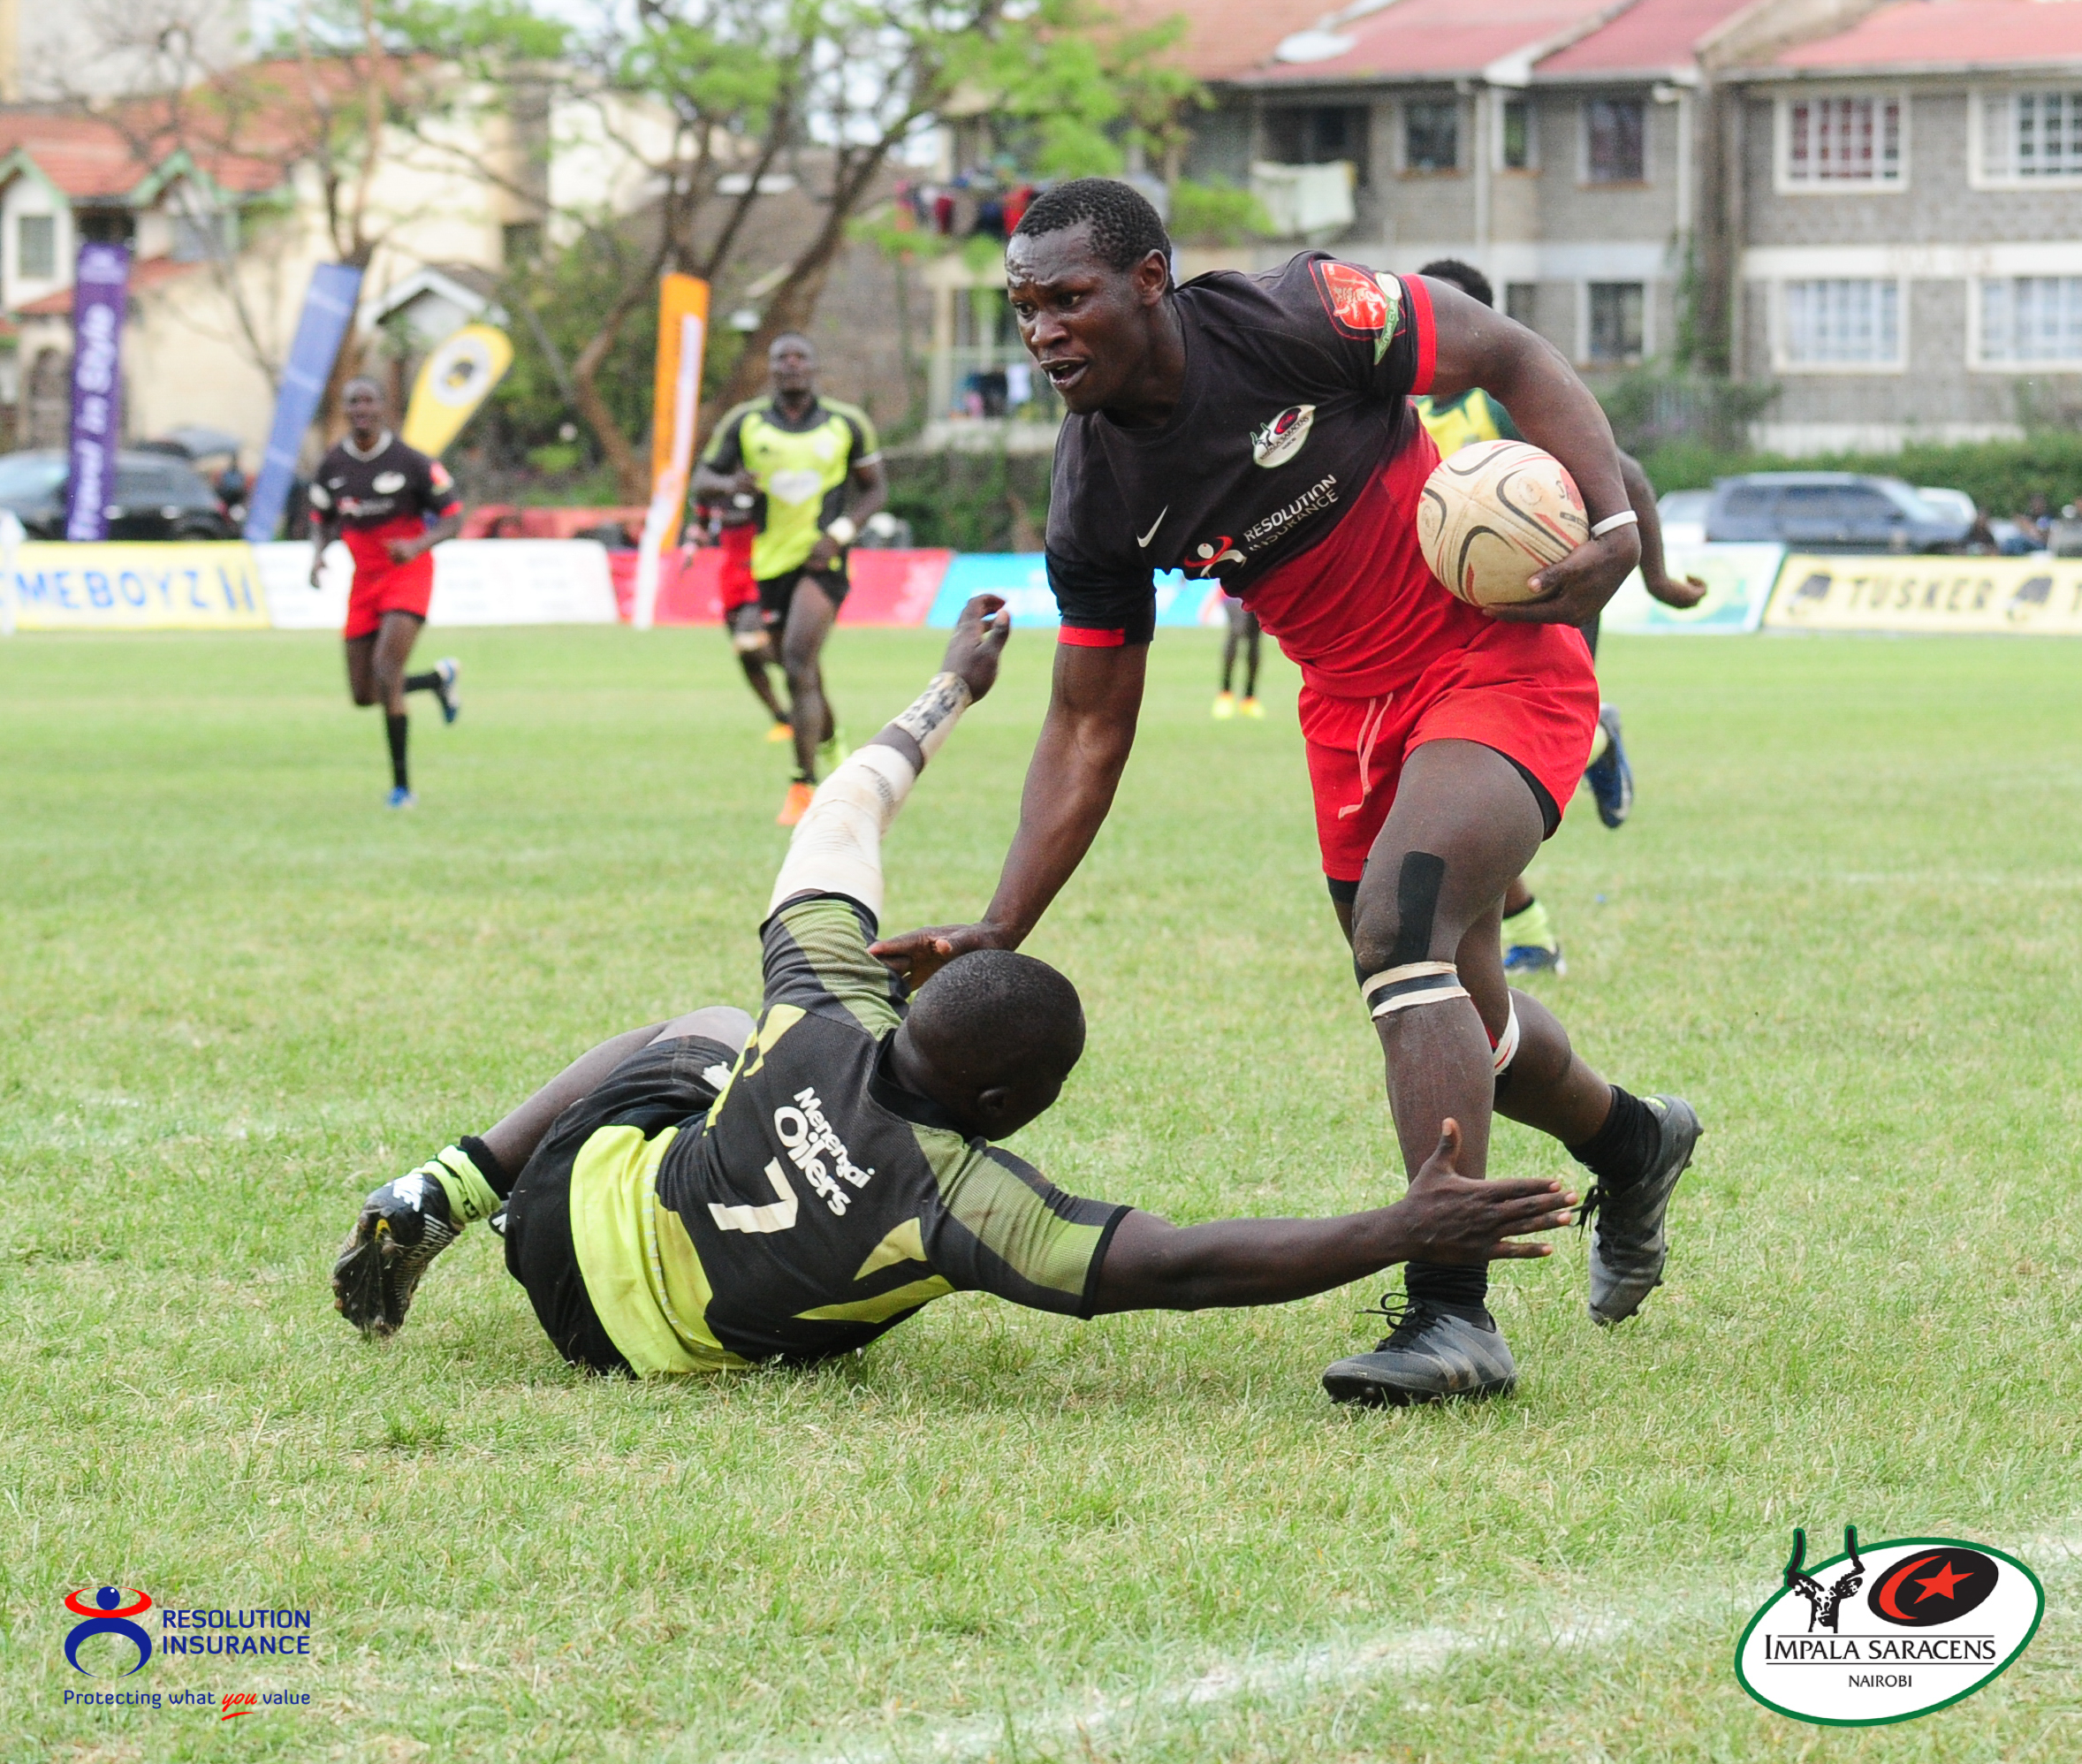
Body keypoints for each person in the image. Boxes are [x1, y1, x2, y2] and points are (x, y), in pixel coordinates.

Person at [870, 179, 1704, 1407]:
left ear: (1148, 280)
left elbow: (1513, 354)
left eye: (1068, 299)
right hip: (1349, 720)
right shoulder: (1095, 493)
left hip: (1492, 657)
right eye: (1024, 307)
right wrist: (1004, 922)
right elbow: (1090, 721)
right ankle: (1633, 1141)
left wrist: (1619, 526)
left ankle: (1449, 1315)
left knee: (1400, 939)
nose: (1042, 330)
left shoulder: (1300, 314)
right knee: (1463, 1022)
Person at [330, 597, 1577, 1380]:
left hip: (558, 1221)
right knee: (720, 1053)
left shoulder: (827, 995)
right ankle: (464, 1198)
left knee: (712, 1034)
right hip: (627, 1350)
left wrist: (950, 692)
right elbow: (1183, 1266)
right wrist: (1401, 1232)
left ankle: (446, 1188)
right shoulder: (964, 1198)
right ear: (1005, 1100)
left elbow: (844, 811)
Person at [1411, 258, 1707, 976]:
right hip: (1454, 616)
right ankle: (1534, 930)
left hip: (1551, 604)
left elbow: (1626, 476)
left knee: (1492, 782)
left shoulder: (1506, 401)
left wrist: (1658, 577)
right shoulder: (1400, 408)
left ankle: (1589, 749)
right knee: (1446, 788)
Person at [691, 333, 889, 826]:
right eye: (782, 358)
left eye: (801, 356)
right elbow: (702, 481)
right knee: (795, 667)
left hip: (823, 562)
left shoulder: (847, 423)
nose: (792, 365)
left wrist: (839, 534)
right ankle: (829, 738)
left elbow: (875, 490)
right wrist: (729, 484)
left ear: (814, 366)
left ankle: (803, 786)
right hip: (769, 562)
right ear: (772, 369)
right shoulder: (746, 422)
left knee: (799, 657)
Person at [308, 376, 465, 809]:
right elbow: (320, 519)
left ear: (383, 407)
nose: (361, 409)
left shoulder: (411, 461)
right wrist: (318, 556)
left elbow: (454, 518)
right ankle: (437, 680)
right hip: (364, 581)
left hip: (407, 573)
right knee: (363, 693)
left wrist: (416, 545)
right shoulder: (332, 465)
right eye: (352, 402)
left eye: (369, 401)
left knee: (386, 668)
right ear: (344, 409)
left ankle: (402, 788)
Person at [703, 491, 794, 741]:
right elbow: (701, 511)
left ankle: (799, 668)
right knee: (747, 660)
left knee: (747, 644)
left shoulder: (764, 487)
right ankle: (782, 719)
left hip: (760, 574)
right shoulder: (718, 489)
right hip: (731, 583)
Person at [1212, 593, 1263, 719]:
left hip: (1256, 589)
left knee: (1254, 639)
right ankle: (1225, 694)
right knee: (1236, 630)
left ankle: (1249, 698)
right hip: (1231, 589)